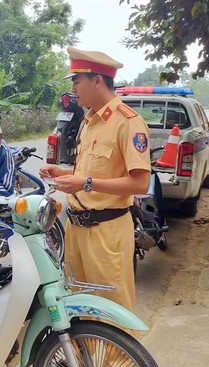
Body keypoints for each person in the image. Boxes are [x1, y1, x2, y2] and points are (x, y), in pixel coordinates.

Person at [40, 47, 151, 313]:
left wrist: (85, 183)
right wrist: (65, 174)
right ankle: (88, 357)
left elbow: (139, 184)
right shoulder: (89, 121)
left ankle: (117, 357)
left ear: (97, 80)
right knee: (81, 308)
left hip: (107, 232)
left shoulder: (128, 122)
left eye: (77, 82)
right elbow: (96, 173)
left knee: (111, 312)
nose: (74, 89)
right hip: (76, 230)